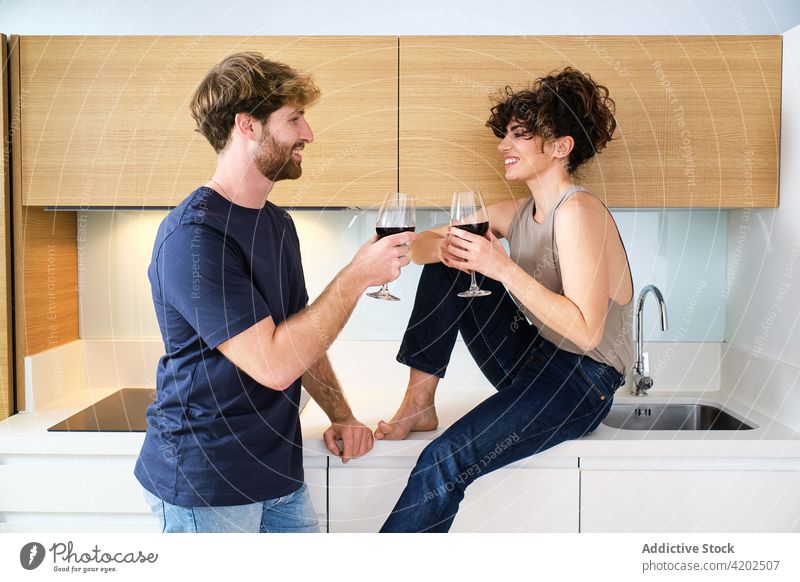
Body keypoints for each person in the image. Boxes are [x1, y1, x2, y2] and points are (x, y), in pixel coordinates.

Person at [134, 52, 416, 533]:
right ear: (247, 125)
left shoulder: (277, 223)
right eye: (294, 119)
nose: (308, 133)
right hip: (208, 483)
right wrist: (355, 277)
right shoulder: (194, 237)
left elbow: (298, 337)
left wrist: (343, 414)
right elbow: (273, 363)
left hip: (277, 474)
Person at [376, 67, 634, 532]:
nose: (502, 145)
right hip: (535, 360)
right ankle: (418, 403)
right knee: (451, 258)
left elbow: (586, 330)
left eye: (520, 135)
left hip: (582, 381)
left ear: (561, 147)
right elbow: (420, 250)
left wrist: (501, 267)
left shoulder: (578, 211)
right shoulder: (518, 212)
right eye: (506, 134)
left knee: (443, 462)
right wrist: (450, 246)